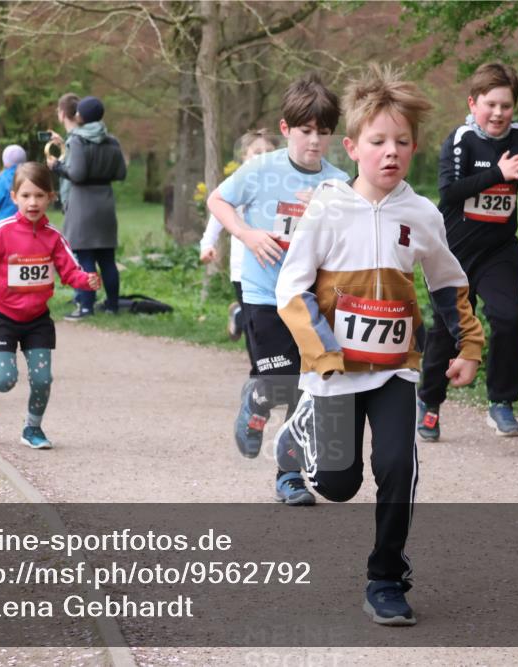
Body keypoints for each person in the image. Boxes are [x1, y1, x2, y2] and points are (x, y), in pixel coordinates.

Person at [274, 64, 484, 626]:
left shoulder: (420, 213)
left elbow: (448, 282)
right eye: (377, 142)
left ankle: (386, 575)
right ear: (353, 146)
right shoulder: (326, 207)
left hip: (395, 370)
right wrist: (321, 355)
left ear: (414, 148)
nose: (390, 152)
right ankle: (300, 428)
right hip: (335, 372)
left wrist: (468, 345)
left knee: (398, 466)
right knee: (337, 486)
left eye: (402, 142)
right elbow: (290, 290)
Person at [207, 72, 349, 505]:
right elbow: (218, 200)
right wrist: (247, 235)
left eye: (324, 133)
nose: (314, 141)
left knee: (307, 389)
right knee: (280, 382)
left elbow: (349, 237)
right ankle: (256, 400)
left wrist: (328, 210)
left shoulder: (339, 181)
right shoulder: (260, 170)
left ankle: (289, 477)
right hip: (263, 293)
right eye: (306, 131)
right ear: (286, 129)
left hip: (309, 298)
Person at [417, 62, 518, 439]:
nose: (498, 113)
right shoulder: (461, 139)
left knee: (510, 317)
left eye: (506, 105)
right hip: (454, 254)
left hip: (499, 250)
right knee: (448, 334)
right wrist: (497, 175)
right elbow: (449, 193)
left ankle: (501, 402)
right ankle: (429, 402)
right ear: (473, 102)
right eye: (491, 104)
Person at [0, 162, 101, 449]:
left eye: (39, 196)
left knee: (42, 379)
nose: (33, 202)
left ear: (50, 197)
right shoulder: (3, 230)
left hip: (37, 319)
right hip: (3, 316)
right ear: (14, 197)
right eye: (26, 196)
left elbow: (69, 271)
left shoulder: (54, 238)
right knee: (5, 379)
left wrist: (85, 281)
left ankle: (32, 429)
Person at [48, 95, 127, 318]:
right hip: (105, 202)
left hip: (83, 203)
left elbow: (78, 174)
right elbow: (121, 173)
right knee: (107, 259)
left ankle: (85, 306)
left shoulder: (78, 140)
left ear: (79, 116)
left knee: (84, 258)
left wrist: (58, 167)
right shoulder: (112, 140)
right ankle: (112, 306)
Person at [199, 129, 278, 352]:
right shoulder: (238, 182)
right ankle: (257, 375)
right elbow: (218, 214)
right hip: (244, 266)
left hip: (273, 264)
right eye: (257, 152)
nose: (263, 156)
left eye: (269, 152)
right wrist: (207, 244)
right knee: (255, 326)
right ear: (244, 155)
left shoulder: (283, 181)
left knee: (271, 319)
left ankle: (238, 315)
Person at [0, 144, 27, 221]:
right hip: (25, 220)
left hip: (6, 221)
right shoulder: (27, 176)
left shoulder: (2, 177)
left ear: (5, 161)